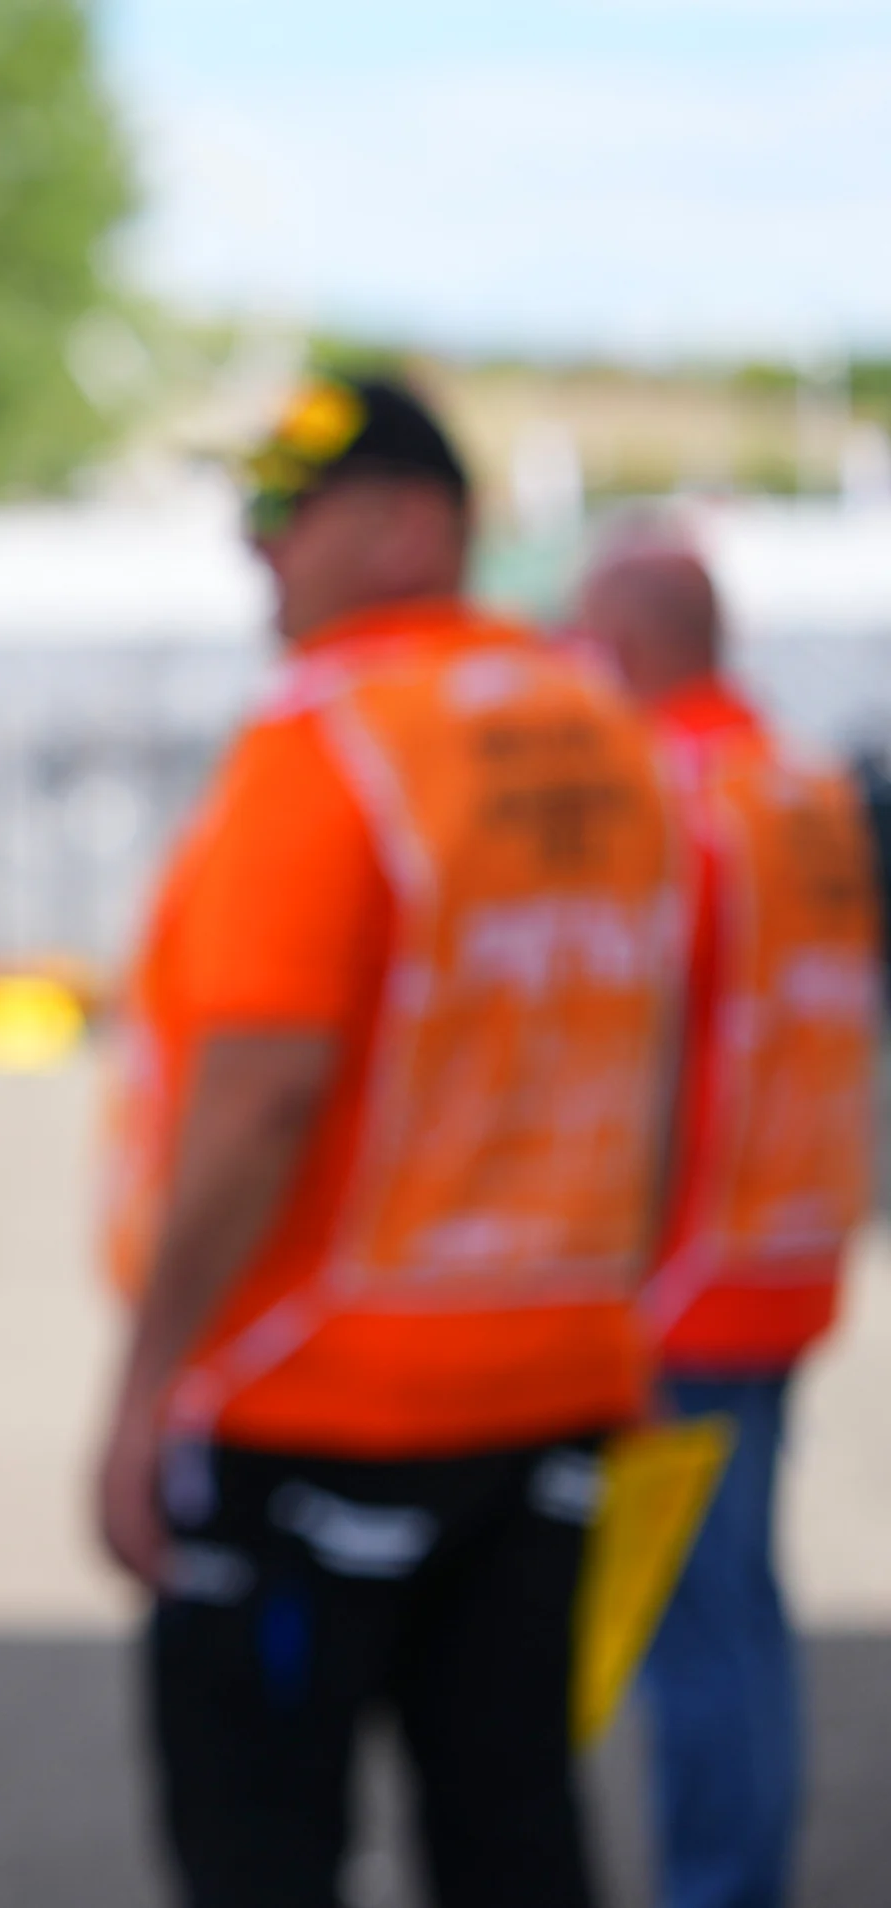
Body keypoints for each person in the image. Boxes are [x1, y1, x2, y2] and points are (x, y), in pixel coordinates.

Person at [97, 373, 675, 1908]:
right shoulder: (601, 727)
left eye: (288, 509)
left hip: (314, 1395)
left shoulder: (328, 732)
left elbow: (259, 1092)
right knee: (515, 1829)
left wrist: (148, 1388)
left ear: (417, 526)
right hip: (555, 1374)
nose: (259, 546)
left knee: (259, 1847)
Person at [578, 523, 872, 1908]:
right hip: (786, 1249)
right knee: (738, 1611)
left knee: (693, 1630)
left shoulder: (664, 794)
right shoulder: (800, 784)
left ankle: (719, 1889)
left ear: (622, 644)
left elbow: (632, 1052)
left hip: (680, 1276)